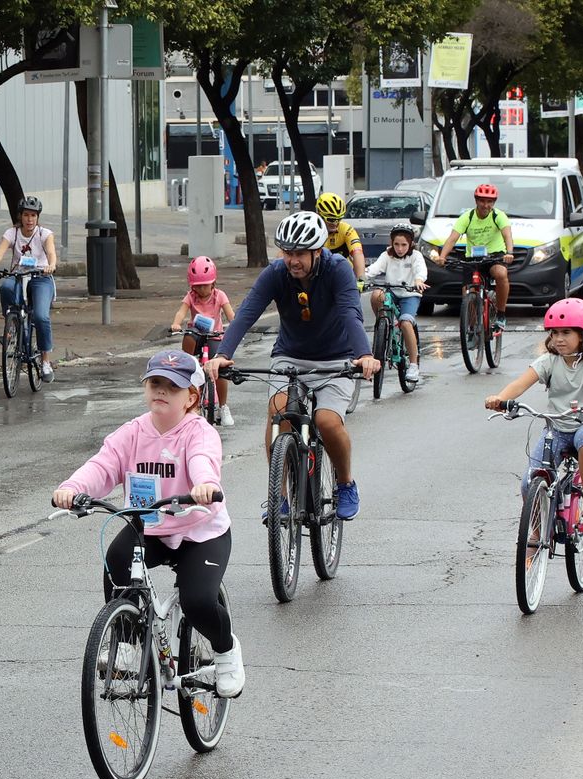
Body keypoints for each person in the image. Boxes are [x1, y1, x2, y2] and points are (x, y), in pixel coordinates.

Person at [51, 350, 241, 698]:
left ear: (191, 398)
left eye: (172, 386)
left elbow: (203, 462)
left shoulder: (198, 433)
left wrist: (205, 486)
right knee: (117, 559)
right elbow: (103, 465)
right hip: (149, 526)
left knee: (199, 601)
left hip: (198, 530)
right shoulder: (132, 432)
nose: (161, 391)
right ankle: (126, 642)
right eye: (155, 383)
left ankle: (226, 650)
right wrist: (72, 488)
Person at [206, 211, 381, 520]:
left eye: (300, 253)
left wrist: (364, 354)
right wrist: (223, 353)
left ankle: (345, 483)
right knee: (278, 411)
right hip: (290, 357)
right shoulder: (276, 274)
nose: (292, 260)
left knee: (327, 422)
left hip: (336, 359)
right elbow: (247, 312)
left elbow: (350, 313)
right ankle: (280, 498)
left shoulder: (338, 270)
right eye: (287, 252)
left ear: (318, 251)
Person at [483, 298, 583, 533]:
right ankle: (534, 535)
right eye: (554, 333)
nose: (558, 339)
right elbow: (519, 384)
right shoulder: (549, 361)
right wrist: (500, 399)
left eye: (566, 332)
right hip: (556, 428)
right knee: (528, 482)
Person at [0, 196, 59, 381]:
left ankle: (45, 361)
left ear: (37, 217)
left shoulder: (44, 234)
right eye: (26, 215)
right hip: (18, 276)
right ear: (21, 216)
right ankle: (12, 327)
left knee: (41, 316)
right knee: (6, 287)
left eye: (33, 215)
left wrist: (51, 265)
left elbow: (51, 252)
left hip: (41, 277)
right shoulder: (12, 233)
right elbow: (0, 251)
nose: (30, 219)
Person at [432, 183, 515, 333]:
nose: (486, 205)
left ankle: (501, 315)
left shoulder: (498, 216)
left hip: (494, 255)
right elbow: (452, 238)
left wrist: (509, 252)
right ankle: (472, 329)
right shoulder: (467, 217)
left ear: (494, 203)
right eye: (482, 201)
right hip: (473, 258)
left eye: (489, 201)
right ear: (476, 201)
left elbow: (507, 235)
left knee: (501, 274)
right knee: (467, 293)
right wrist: (442, 257)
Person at [169, 255, 236, 425]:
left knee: (220, 369)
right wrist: (176, 323)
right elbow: (181, 312)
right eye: (197, 286)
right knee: (189, 338)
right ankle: (188, 367)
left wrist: (235, 327)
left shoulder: (220, 296)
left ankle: (223, 407)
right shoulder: (191, 296)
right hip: (197, 335)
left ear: (213, 283)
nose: (201, 290)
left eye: (204, 285)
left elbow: (231, 315)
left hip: (215, 336)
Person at [363, 224, 428, 385]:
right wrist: (361, 278)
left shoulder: (416, 256)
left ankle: (413, 365)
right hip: (391, 292)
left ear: (411, 243)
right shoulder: (387, 255)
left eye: (404, 245)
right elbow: (374, 269)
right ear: (392, 242)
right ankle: (384, 325)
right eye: (396, 244)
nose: (399, 248)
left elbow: (421, 271)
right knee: (376, 294)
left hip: (409, 294)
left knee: (406, 323)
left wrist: (419, 281)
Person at [315, 192, 366, 273]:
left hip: (343, 274)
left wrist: (361, 279)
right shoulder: (312, 231)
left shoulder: (346, 229)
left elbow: (358, 254)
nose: (335, 223)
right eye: (331, 219)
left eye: (339, 219)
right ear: (319, 215)